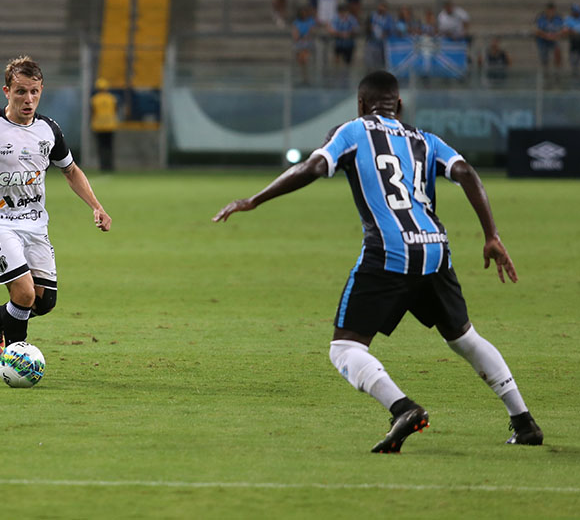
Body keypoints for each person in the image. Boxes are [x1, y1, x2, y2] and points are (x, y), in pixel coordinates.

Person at [213, 70, 543, 453]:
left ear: (360, 104)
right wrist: (491, 235)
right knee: (465, 338)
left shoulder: (352, 131)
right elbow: (466, 172)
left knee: (345, 348)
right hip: (434, 248)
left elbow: (314, 167)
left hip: (390, 250)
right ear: (399, 105)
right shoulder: (425, 139)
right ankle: (524, 422)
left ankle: (403, 409)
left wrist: (253, 200)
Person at [0, 55, 112, 358]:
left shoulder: (49, 130)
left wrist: (96, 206)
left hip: (34, 222)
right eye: (21, 91)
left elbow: (71, 170)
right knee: (24, 292)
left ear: (41, 90)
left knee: (43, 302)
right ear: (7, 91)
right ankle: (16, 359)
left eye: (34, 91)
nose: (28, 99)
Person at [91, 77, 119, 172]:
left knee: (101, 147)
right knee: (109, 146)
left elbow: (92, 112)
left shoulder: (94, 99)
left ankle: (102, 166)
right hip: (110, 125)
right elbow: (116, 110)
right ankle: (110, 166)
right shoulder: (112, 98)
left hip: (98, 126)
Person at [365, 1, 394, 70]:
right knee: (370, 63)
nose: (381, 9)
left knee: (380, 64)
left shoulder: (388, 18)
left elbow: (390, 29)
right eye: (380, 7)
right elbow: (367, 26)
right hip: (371, 42)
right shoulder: (372, 15)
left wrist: (384, 33)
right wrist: (370, 28)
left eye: (383, 8)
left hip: (382, 44)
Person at [292, 6, 318, 85]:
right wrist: (299, 37)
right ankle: (303, 76)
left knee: (304, 57)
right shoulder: (296, 22)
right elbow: (295, 34)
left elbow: (312, 31)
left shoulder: (311, 21)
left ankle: (306, 77)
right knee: (301, 59)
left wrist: (307, 36)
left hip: (308, 42)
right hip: (299, 42)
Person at [535, 2, 564, 71]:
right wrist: (547, 36)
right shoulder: (541, 18)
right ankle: (545, 71)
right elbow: (538, 30)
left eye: (552, 10)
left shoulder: (558, 18)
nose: (551, 12)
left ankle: (558, 69)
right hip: (543, 40)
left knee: (557, 51)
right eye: (549, 10)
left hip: (554, 39)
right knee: (544, 57)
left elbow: (562, 29)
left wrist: (555, 35)